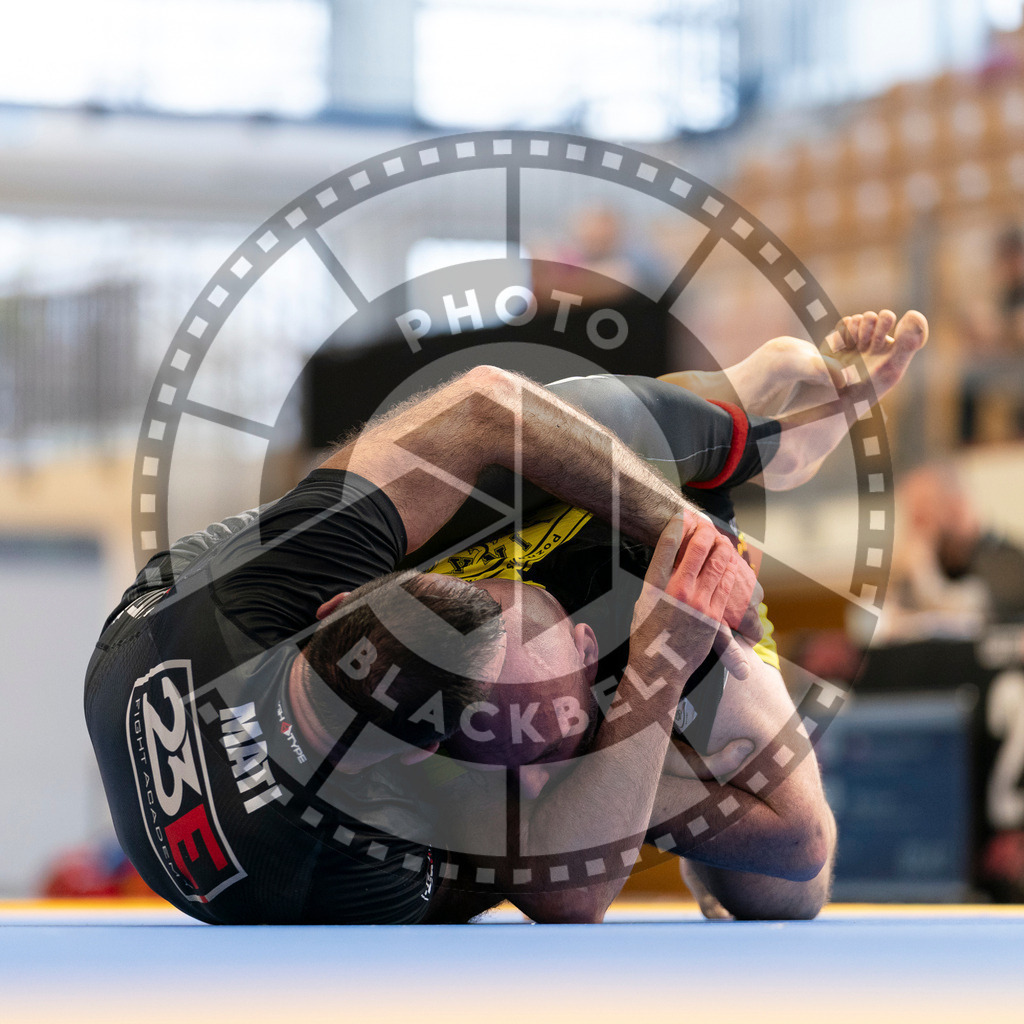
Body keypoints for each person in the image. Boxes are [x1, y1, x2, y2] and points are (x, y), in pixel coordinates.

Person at [84, 308, 926, 924]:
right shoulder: (352, 858)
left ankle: (744, 429)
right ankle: (581, 699)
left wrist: (686, 530)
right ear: (437, 755)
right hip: (428, 769)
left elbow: (487, 404)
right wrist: (660, 662)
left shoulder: (265, 592)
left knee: (476, 447)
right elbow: (574, 889)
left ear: (336, 601)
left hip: (170, 619)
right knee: (792, 880)